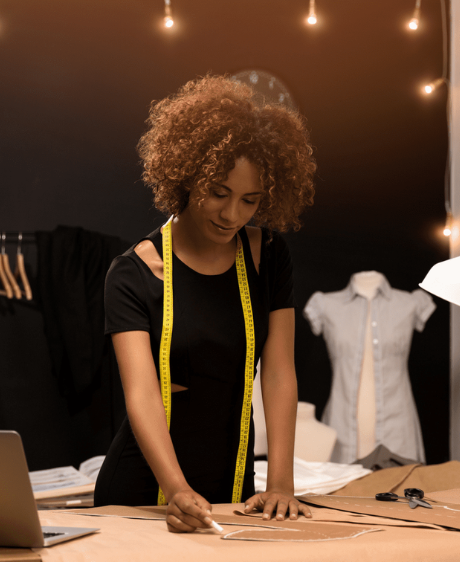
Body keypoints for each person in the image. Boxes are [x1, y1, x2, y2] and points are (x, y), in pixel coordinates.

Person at [95, 75, 317, 533]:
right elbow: (141, 395)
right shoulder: (133, 273)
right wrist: (175, 489)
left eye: (249, 200)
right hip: (145, 492)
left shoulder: (269, 257)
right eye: (219, 192)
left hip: (233, 487)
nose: (232, 214)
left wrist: (281, 484)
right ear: (187, 173)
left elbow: (278, 373)